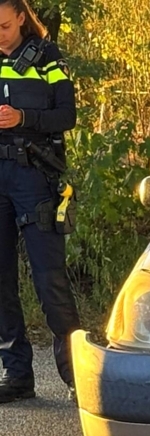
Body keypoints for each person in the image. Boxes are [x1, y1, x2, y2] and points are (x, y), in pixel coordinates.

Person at [0, 0, 80, 403]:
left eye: (3, 26)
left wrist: (23, 119)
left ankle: (77, 376)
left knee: (50, 280)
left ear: (20, 17)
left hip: (34, 175)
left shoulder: (46, 56)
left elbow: (67, 116)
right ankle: (16, 375)